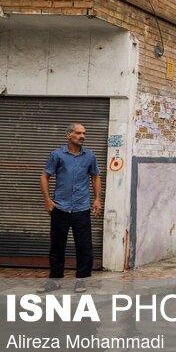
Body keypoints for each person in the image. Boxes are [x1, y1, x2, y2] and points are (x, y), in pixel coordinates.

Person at [39, 123, 101, 293]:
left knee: (84, 246)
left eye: (84, 133)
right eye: (78, 133)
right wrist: (47, 200)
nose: (82, 136)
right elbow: (45, 176)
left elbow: (95, 177)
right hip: (60, 208)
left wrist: (97, 199)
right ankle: (55, 280)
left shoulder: (89, 156)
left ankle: (81, 280)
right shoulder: (57, 155)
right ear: (68, 135)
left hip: (81, 208)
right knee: (57, 246)